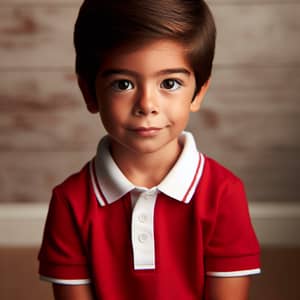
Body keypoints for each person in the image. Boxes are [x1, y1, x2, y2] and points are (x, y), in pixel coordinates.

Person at [38, 0, 261, 299]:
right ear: (90, 93)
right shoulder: (70, 202)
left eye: (169, 83)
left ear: (198, 93)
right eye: (123, 85)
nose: (147, 105)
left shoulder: (223, 194)